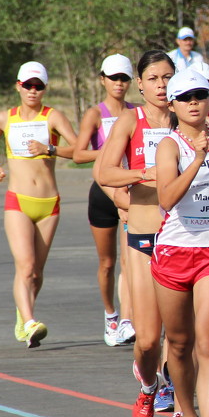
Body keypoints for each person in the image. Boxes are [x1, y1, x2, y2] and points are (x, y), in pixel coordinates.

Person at [151, 68, 209, 417]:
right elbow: (167, 199)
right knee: (180, 344)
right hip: (174, 249)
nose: (194, 103)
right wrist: (198, 159)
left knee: (207, 339)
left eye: (201, 95)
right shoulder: (169, 146)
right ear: (173, 104)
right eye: (186, 98)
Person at [96, 50, 176, 417]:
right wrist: (141, 175)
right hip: (144, 235)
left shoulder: (189, 118)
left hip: (187, 235)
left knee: (182, 336)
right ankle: (148, 385)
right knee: (147, 339)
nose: (162, 85)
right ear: (139, 84)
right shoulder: (131, 120)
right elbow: (104, 172)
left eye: (168, 77)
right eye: (155, 78)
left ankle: (185, 414)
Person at [0, 61, 78, 348]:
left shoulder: (53, 117)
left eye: (38, 86)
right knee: (25, 267)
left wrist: (50, 148)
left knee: (36, 272)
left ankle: (23, 315)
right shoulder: (5, 117)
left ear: (45, 89)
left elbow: (78, 149)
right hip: (18, 200)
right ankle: (29, 322)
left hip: (49, 204)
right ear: (18, 86)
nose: (33, 91)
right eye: (28, 85)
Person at [73, 53, 136, 347]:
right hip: (102, 191)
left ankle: (127, 319)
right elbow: (78, 154)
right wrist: (111, 152)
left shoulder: (136, 112)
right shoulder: (95, 114)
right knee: (107, 263)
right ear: (103, 80)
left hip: (129, 191)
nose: (119, 84)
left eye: (124, 78)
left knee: (129, 260)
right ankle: (110, 315)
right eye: (114, 78)